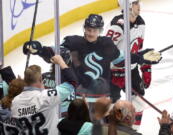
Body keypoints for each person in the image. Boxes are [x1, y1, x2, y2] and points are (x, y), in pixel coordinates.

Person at [23, 14, 161, 103]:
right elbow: (56, 52)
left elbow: (121, 59)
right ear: (85, 28)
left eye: (94, 30)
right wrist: (40, 50)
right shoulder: (73, 42)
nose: (91, 33)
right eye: (88, 29)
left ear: (100, 30)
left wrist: (140, 57)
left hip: (101, 99)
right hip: (78, 100)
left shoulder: (106, 44)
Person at [104, 0, 150, 128]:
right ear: (128, 5)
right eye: (135, 3)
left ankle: (133, 130)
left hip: (131, 69)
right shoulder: (117, 25)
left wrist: (145, 66)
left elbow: (138, 48)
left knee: (139, 101)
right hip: (114, 72)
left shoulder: (141, 23)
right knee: (111, 104)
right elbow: (105, 52)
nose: (138, 6)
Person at [11, 55, 77, 135]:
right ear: (40, 79)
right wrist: (61, 62)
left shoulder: (15, 102)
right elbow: (72, 82)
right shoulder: (46, 96)